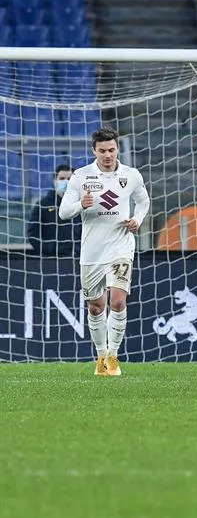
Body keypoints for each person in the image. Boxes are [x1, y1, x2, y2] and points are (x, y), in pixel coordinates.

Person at [58, 128, 150, 377]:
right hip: (92, 251)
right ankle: (100, 355)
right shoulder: (81, 176)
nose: (108, 155)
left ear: (117, 148)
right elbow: (63, 212)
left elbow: (143, 201)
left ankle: (113, 356)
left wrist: (137, 220)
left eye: (111, 150)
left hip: (121, 245)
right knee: (96, 307)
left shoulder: (131, 175)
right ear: (94, 151)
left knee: (118, 300)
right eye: (102, 151)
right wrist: (81, 205)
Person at [28, 164, 81, 256]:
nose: (66, 182)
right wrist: (53, 249)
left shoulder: (82, 204)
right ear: (55, 181)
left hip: (78, 258)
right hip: (51, 260)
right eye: (62, 178)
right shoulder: (42, 205)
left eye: (69, 179)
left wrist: (78, 249)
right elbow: (33, 235)